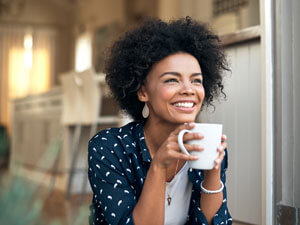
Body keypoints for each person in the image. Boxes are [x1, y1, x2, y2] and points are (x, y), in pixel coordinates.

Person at [88, 17, 232, 225]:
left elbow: (216, 222)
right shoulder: (109, 147)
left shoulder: (208, 146)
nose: (188, 90)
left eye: (196, 80)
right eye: (172, 79)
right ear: (143, 91)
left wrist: (212, 173)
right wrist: (158, 166)